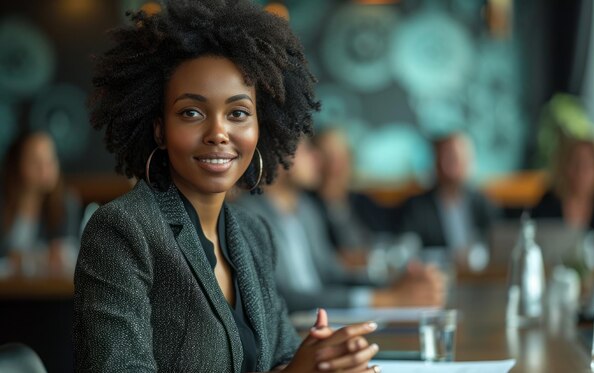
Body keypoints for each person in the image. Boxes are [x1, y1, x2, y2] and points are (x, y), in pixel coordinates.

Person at [74, 1, 381, 372]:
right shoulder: (123, 231)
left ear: (259, 127)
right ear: (160, 129)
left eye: (238, 113)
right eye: (192, 112)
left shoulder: (254, 234)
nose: (219, 133)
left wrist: (325, 362)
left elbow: (281, 360)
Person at [236, 139, 446, 312]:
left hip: (323, 321)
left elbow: (331, 273)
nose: (318, 159)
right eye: (308, 149)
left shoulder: (306, 210)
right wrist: (384, 299)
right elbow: (280, 298)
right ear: (277, 151)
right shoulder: (247, 214)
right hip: (289, 333)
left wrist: (394, 285)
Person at [0, 131, 81, 275]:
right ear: (17, 163)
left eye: (50, 160)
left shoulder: (66, 202)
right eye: (35, 161)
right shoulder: (3, 201)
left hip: (45, 293)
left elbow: (65, 255)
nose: (45, 168)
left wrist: (23, 259)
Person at [401, 132, 499, 250]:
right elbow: (407, 248)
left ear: (468, 161)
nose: (446, 165)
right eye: (442, 156)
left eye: (454, 158)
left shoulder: (483, 203)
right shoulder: (417, 207)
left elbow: (498, 245)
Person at [532, 137, 594, 253]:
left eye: (588, 165)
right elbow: (530, 240)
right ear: (565, 167)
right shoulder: (549, 201)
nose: (581, 172)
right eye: (575, 163)